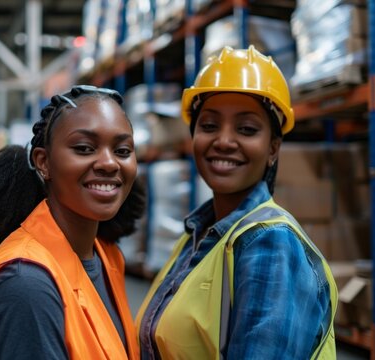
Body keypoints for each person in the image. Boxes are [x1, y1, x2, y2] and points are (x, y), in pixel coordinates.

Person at [135, 46, 338, 359]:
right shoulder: (200, 235)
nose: (224, 141)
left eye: (246, 129)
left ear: (273, 148)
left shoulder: (271, 244)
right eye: (209, 126)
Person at [0, 85, 145, 360]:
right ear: (43, 162)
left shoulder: (106, 258)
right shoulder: (26, 284)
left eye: (122, 150)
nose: (109, 163)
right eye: (84, 148)